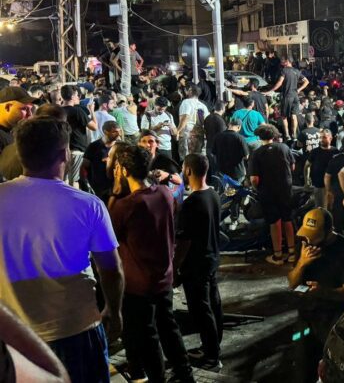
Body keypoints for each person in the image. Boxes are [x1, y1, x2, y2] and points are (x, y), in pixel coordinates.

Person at [0, 117, 124, 383]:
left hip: (15, 336)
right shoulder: (87, 205)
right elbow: (111, 269)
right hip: (76, 328)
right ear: (64, 153)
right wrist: (114, 310)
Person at [109, 145, 194, 382]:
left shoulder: (126, 205)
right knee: (169, 328)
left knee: (149, 336)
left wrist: (115, 193)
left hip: (138, 284)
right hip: (163, 277)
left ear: (123, 170)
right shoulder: (165, 194)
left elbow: (109, 237)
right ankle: (185, 374)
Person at [288, 208, 344, 381]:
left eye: (314, 235)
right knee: (302, 369)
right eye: (307, 234)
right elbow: (292, 284)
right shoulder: (304, 245)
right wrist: (302, 263)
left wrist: (322, 292)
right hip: (306, 320)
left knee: (333, 370)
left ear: (329, 231)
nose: (309, 239)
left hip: (332, 322)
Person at [174, 154, 223, 372]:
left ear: (188, 171)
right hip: (212, 258)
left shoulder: (191, 203)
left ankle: (212, 357)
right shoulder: (213, 194)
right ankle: (211, 347)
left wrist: (175, 267)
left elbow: (184, 242)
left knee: (202, 310)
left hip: (196, 264)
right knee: (213, 304)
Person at [249, 124, 297, 265]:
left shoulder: (257, 153)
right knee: (287, 219)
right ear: (274, 135)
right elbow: (292, 166)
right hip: (285, 189)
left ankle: (278, 255)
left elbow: (254, 179)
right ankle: (292, 252)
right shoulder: (284, 148)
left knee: (274, 222)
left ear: (259, 137)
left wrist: (256, 188)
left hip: (267, 191)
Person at [60, 84, 97, 187]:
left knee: (64, 179)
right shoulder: (78, 111)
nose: (78, 98)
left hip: (61, 150)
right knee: (74, 181)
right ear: (72, 97)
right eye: (76, 95)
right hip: (76, 150)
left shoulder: (57, 111)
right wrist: (92, 111)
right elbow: (94, 127)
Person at [267, 57, 310, 139]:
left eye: (284, 61)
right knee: (294, 116)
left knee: (283, 116)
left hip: (287, 96)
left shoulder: (284, 70)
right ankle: (294, 134)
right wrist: (298, 90)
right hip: (295, 96)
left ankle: (287, 135)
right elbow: (307, 81)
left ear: (288, 62)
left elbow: (280, 82)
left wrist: (271, 90)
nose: (282, 62)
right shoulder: (297, 71)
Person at [324, 136, 344, 239]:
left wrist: (329, 191)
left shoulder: (335, 159)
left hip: (337, 195)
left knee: (338, 224)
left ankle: (340, 245)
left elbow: (327, 177)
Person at [83, 120, 123, 201]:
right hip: (98, 187)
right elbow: (84, 166)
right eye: (114, 132)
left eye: (119, 131)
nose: (118, 134)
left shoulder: (121, 146)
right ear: (106, 132)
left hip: (115, 186)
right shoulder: (94, 146)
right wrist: (85, 183)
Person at [212, 117, 250, 181]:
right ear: (239, 127)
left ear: (229, 124)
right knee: (236, 190)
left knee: (224, 190)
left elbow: (213, 154)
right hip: (237, 172)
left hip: (222, 172)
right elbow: (246, 156)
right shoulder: (240, 138)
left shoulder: (218, 136)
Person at [178, 85, 210, 160]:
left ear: (191, 92)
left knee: (186, 158)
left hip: (187, 134)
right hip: (200, 134)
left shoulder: (186, 102)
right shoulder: (203, 106)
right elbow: (206, 120)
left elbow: (186, 116)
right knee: (197, 158)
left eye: (188, 89)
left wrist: (178, 130)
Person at [305, 129, 336, 207]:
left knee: (331, 208)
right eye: (320, 137)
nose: (321, 140)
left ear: (331, 138)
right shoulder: (314, 152)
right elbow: (306, 166)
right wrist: (306, 180)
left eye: (324, 137)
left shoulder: (335, 152)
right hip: (319, 185)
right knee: (319, 208)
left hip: (332, 186)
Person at [0, 86, 34, 155]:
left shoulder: (12, 130)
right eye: (24, 109)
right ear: (8, 107)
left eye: (31, 109)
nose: (30, 114)